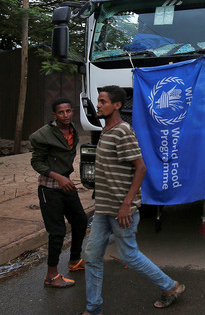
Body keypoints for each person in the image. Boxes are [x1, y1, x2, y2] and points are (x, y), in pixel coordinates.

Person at [81, 85, 184, 315]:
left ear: (116, 105)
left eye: (103, 101)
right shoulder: (106, 131)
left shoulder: (122, 131)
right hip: (104, 209)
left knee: (129, 255)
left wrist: (127, 203)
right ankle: (93, 307)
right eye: (98, 101)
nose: (98, 105)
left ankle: (170, 287)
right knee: (91, 256)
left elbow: (141, 168)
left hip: (121, 209)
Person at [30, 98, 88, 288]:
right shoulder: (42, 135)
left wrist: (66, 179)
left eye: (68, 111)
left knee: (80, 221)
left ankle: (74, 261)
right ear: (54, 115)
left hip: (67, 186)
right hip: (49, 188)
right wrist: (58, 177)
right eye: (61, 113)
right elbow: (36, 163)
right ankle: (51, 275)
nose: (66, 115)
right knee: (57, 232)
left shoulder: (72, 130)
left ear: (72, 112)